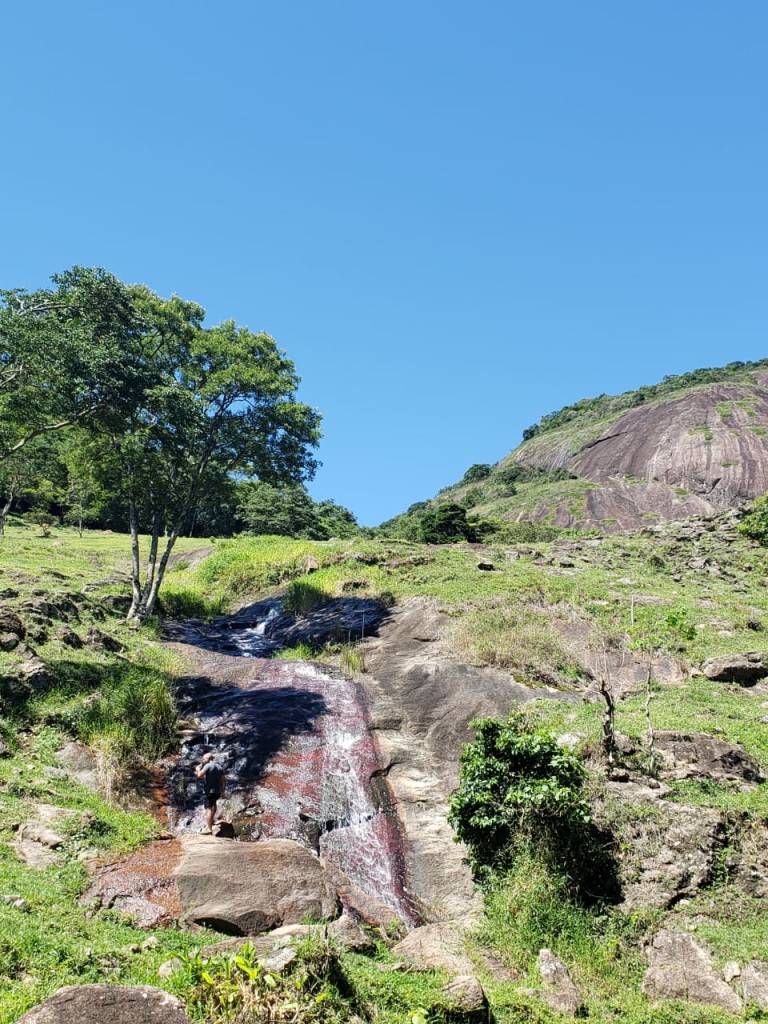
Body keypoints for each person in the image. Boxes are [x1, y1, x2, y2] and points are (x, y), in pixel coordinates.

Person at [195, 751, 226, 834]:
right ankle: (212, 821)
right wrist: (223, 791)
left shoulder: (208, 765)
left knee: (208, 808)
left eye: (204, 759)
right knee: (214, 804)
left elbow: (199, 776)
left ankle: (209, 828)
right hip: (217, 791)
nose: (203, 760)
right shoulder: (220, 767)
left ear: (208, 759)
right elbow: (223, 780)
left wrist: (198, 769)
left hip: (209, 791)